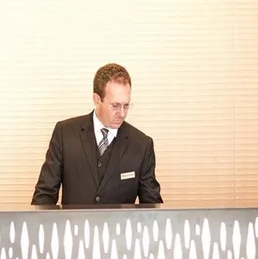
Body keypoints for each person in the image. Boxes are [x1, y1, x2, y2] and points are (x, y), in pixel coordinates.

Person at [31, 63, 163, 206]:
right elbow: (45, 195)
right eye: (115, 106)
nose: (122, 113)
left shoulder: (142, 145)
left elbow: (152, 207)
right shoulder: (64, 134)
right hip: (74, 221)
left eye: (126, 105)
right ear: (97, 100)